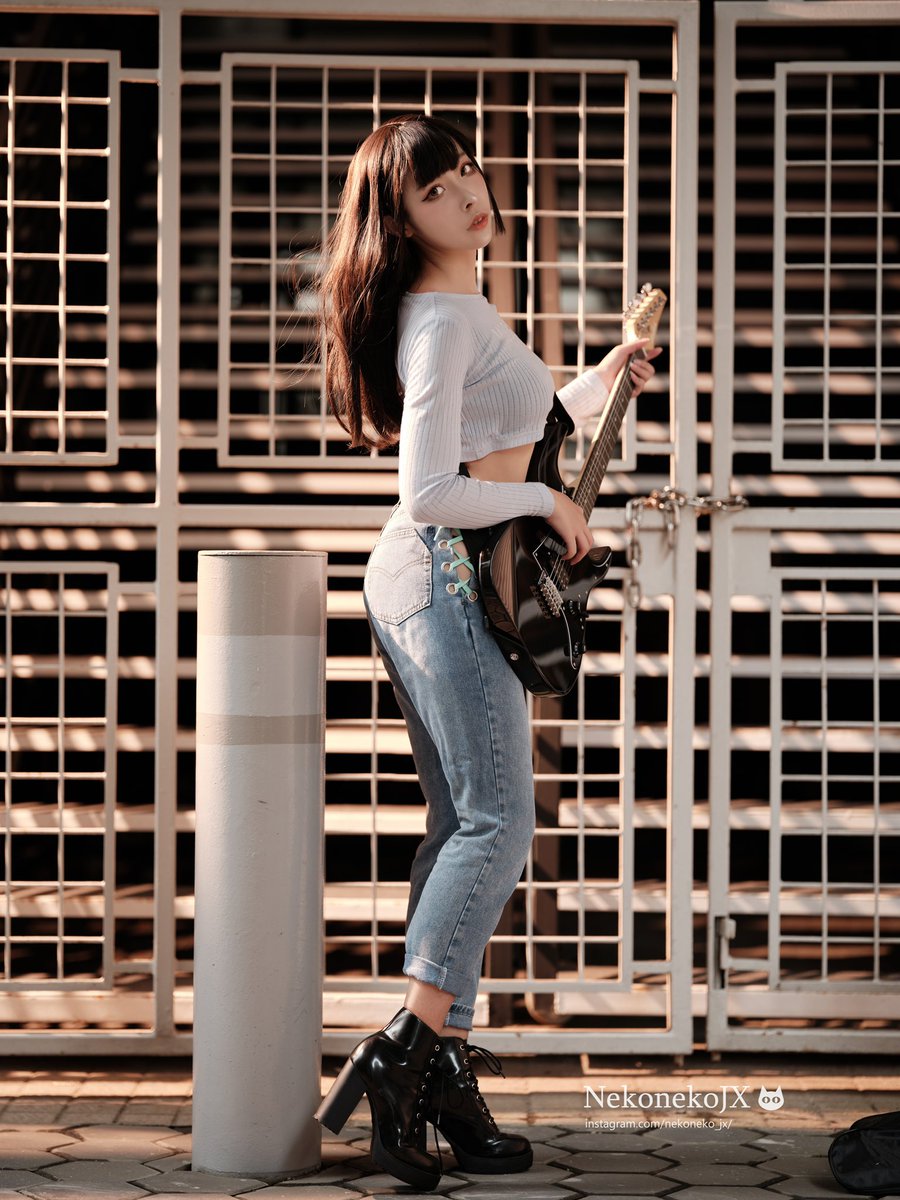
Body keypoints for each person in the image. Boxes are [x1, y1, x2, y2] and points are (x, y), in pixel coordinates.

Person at [311, 114, 662, 1191]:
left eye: (465, 168)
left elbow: (504, 431)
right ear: (399, 220)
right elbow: (430, 489)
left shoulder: (461, 306)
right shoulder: (440, 319)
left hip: (437, 579)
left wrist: (596, 384)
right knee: (499, 819)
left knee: (464, 822)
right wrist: (550, 502)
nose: (468, 190)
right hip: (444, 573)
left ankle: (442, 1073)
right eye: (434, 188)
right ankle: (407, 1049)